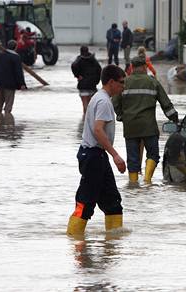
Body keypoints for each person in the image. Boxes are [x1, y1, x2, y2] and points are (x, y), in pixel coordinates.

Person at [66, 65, 127, 237]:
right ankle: (74, 240)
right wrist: (115, 155)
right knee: (85, 202)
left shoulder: (99, 98)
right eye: (121, 83)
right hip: (94, 156)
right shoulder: (103, 101)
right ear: (111, 82)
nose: (123, 86)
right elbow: (98, 130)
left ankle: (113, 245)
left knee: (113, 202)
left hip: (96, 155)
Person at [112, 55, 178, 184]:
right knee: (153, 155)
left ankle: (133, 185)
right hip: (149, 126)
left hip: (130, 126)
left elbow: (115, 102)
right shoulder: (152, 82)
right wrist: (175, 118)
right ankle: (147, 181)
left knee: (133, 158)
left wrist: (121, 116)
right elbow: (166, 104)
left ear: (131, 67)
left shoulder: (125, 83)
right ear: (144, 67)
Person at [0, 40, 26, 114]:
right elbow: (18, 72)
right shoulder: (16, 58)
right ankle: (7, 122)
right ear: (15, 47)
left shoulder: (1, 56)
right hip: (10, 85)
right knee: (8, 106)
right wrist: (22, 84)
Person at [71, 46, 102, 114]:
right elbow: (99, 70)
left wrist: (77, 76)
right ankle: (91, 121)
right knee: (92, 106)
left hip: (83, 85)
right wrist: (96, 81)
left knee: (85, 107)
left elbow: (73, 66)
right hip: (92, 86)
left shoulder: (79, 59)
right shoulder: (93, 60)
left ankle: (85, 121)